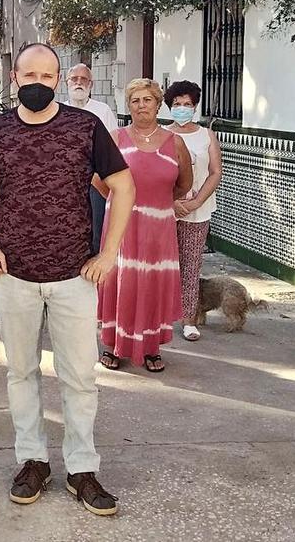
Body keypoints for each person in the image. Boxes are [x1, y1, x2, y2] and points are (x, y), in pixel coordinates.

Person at [0, 43, 135, 517]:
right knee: (22, 373)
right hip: (12, 275)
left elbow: (123, 185)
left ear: (58, 80)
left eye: (47, 75)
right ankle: (32, 460)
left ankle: (82, 468)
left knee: (79, 377)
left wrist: (108, 252)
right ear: (14, 77)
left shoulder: (86, 127)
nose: (38, 82)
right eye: (28, 73)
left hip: (74, 275)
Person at [97, 78, 193, 373]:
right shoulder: (115, 138)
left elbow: (184, 184)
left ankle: (150, 347)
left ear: (157, 104)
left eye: (147, 100)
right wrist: (122, 205)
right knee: (122, 281)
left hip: (159, 229)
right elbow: (99, 182)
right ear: (129, 105)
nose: (141, 105)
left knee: (152, 284)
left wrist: (158, 203)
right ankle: (114, 345)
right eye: (135, 100)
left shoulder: (175, 142)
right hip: (122, 227)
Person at [165, 80, 223, 342]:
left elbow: (215, 172)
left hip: (198, 211)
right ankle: (161, 316)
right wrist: (172, 202)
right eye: (177, 104)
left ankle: (189, 319)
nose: (182, 108)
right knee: (164, 264)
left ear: (195, 106)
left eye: (187, 104)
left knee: (190, 264)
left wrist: (197, 201)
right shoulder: (162, 135)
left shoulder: (206, 135)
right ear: (168, 107)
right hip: (166, 209)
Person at [66, 64, 119, 257]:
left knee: (96, 230)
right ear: (67, 82)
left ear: (91, 84)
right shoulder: (59, 111)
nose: (79, 83)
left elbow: (114, 146)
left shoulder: (102, 111)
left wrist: (99, 175)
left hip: (96, 182)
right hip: (67, 183)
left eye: (84, 79)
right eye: (74, 79)